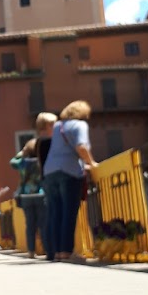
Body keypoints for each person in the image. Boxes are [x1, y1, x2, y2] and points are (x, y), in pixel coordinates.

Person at [43, 100, 97, 261]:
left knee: (55, 212)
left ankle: (57, 252)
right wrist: (91, 163)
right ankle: (66, 251)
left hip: (50, 171)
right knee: (68, 212)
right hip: (69, 171)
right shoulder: (79, 125)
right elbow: (81, 147)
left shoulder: (58, 126)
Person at [10, 138, 47, 259]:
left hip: (26, 196)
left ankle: (31, 251)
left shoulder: (22, 163)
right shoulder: (40, 161)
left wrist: (21, 153)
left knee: (30, 225)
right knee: (43, 224)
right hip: (40, 194)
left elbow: (12, 162)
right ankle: (47, 249)